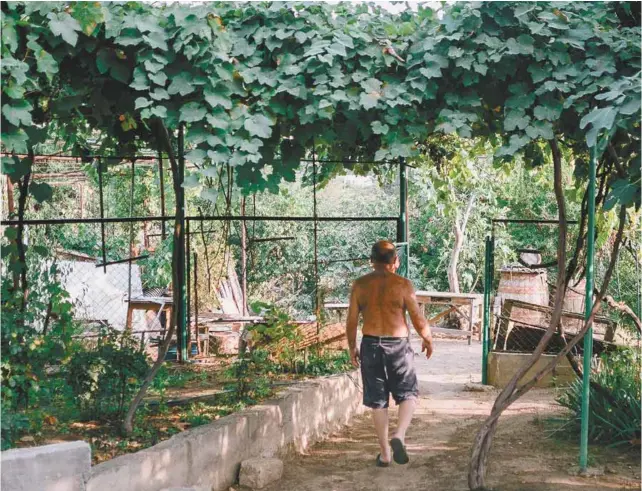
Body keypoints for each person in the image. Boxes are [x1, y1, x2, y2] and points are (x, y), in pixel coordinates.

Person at [345, 240, 433, 467]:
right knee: (408, 394)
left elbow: (352, 321)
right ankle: (400, 435)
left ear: (372, 261)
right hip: (398, 346)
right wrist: (427, 338)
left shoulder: (360, 285)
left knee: (378, 401)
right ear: (395, 261)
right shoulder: (403, 284)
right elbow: (416, 317)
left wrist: (351, 346)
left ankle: (385, 454)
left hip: (371, 344)